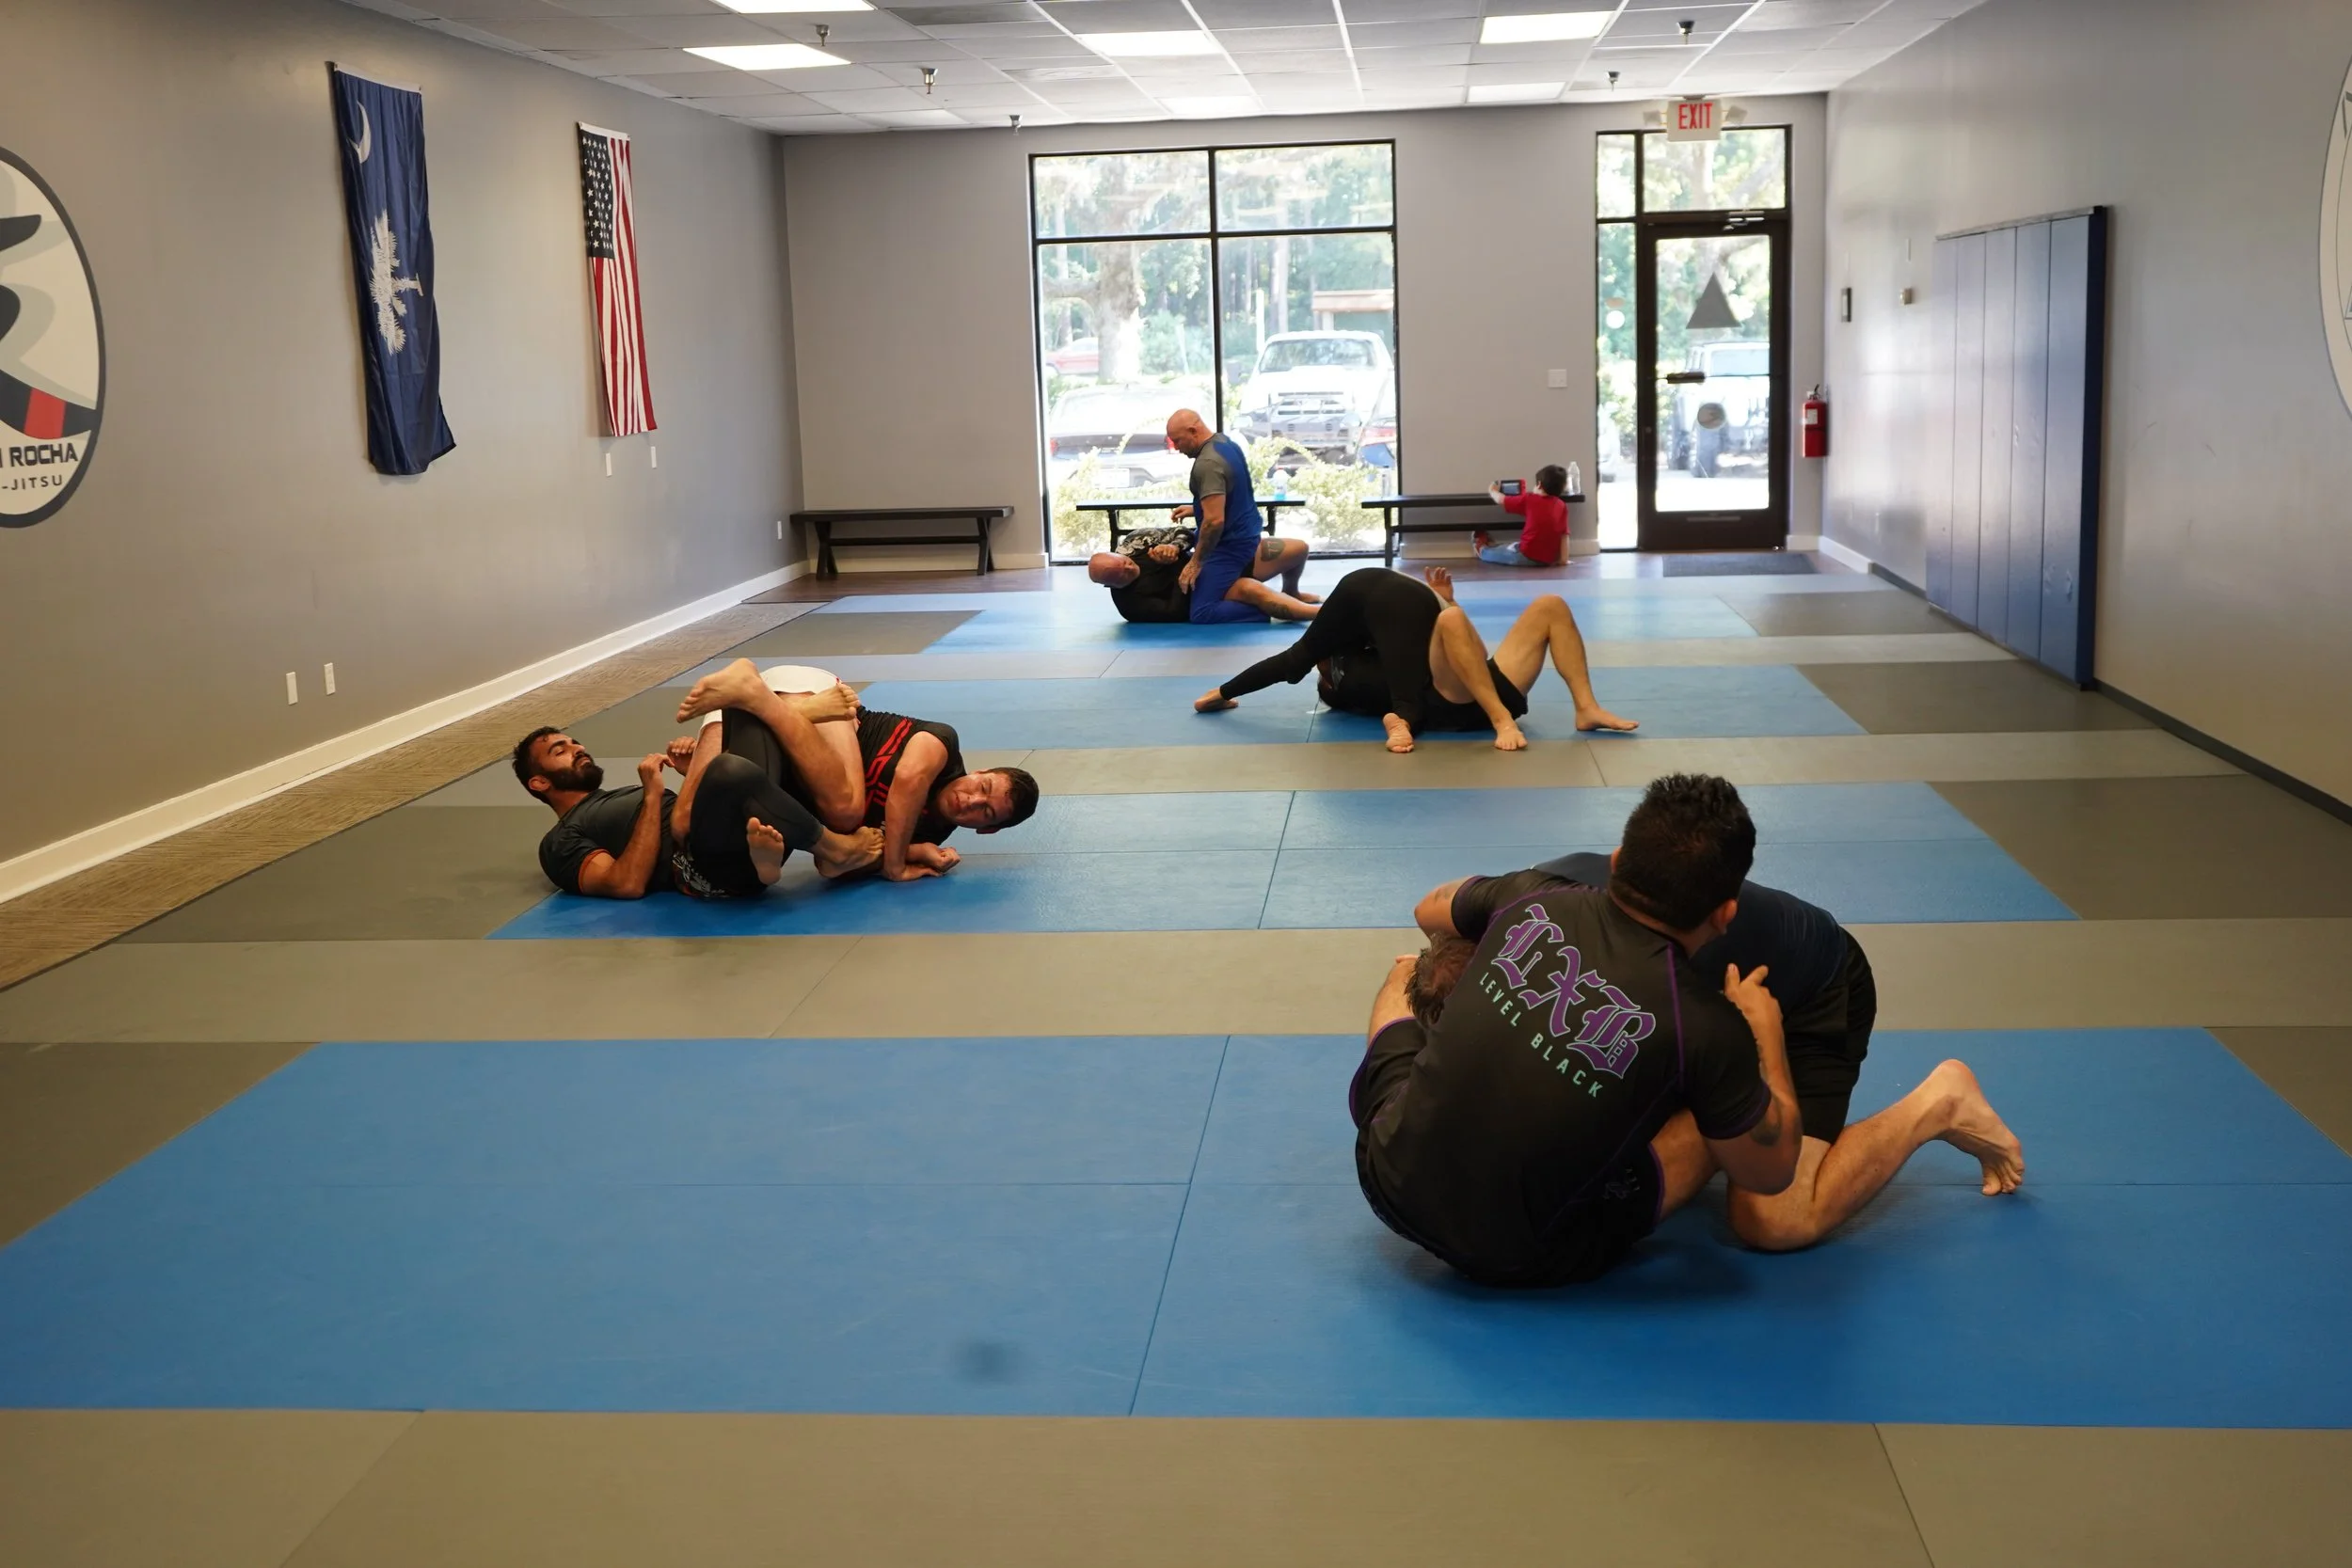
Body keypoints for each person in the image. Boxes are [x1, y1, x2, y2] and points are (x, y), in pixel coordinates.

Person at [1411, 847, 2026, 1254]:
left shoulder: (1654, 992)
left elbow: (1763, 1154)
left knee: (1773, 1219)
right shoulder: (1527, 902)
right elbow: (1430, 907)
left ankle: (1938, 1103)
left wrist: (1760, 1045)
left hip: (1804, 997)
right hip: (1703, 985)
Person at [1349, 773, 1801, 1287]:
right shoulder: (1708, 1026)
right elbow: (1770, 1173)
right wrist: (1766, 1041)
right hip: (1513, 1256)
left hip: (1383, 1177)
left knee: (1410, 969)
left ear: (1615, 863)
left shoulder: (1530, 896)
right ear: (1725, 915)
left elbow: (1429, 909)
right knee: (1718, 1114)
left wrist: (1510, 977)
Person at [512, 673, 881, 901]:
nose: (577, 749)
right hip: (706, 867)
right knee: (729, 765)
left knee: (738, 716)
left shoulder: (611, 800)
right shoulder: (559, 842)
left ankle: (786, 716)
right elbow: (625, 884)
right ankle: (831, 847)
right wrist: (654, 796)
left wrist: (692, 777)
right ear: (539, 782)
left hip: (732, 831)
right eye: (560, 750)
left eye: (575, 742)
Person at [1193, 565, 1637, 753]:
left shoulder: (1353, 652)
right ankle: (1503, 721)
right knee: (1451, 623)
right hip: (1454, 700)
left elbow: (1291, 663)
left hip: (1476, 685)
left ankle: (1585, 707)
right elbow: (1295, 664)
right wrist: (1399, 720)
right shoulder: (1347, 682)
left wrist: (1223, 691)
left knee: (1550, 604)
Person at [672, 658, 1042, 884]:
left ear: (986, 829)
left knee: (685, 824)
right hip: (812, 695)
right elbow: (909, 781)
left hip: (750, 724)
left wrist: (914, 852)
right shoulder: (943, 745)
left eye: (985, 810)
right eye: (983, 785)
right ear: (980, 770)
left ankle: (751, 711)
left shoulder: (927, 833)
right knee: (846, 809)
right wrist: (896, 866)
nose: (971, 799)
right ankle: (764, 701)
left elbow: (830, 864)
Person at [1165, 407, 1289, 626]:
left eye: (1178, 441)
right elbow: (1233, 494)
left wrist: (1196, 562)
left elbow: (1214, 522)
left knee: (1202, 612)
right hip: (1246, 532)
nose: (1176, 447)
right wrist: (1198, 508)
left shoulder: (1207, 464)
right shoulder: (1225, 443)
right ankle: (1281, 595)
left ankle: (1267, 607)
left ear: (1194, 431)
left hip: (1230, 545)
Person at [1087, 525, 1318, 624]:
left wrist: (1175, 547)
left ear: (1120, 553)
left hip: (1214, 560)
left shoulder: (1136, 543)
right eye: (1123, 576)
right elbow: (1177, 612)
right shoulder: (1130, 605)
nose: (1130, 568)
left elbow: (1184, 531)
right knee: (1252, 590)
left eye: (1126, 563)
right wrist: (1177, 568)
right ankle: (1319, 614)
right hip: (1209, 591)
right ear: (1110, 586)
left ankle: (1291, 590)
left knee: (1298, 548)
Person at [1474, 467, 1571, 568]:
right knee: (1511, 547)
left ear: (1539, 485)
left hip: (1526, 556)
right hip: (1548, 560)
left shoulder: (1530, 499)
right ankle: (1497, 546)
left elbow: (1501, 500)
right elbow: (1564, 535)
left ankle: (1481, 550)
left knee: (1497, 554)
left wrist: (1492, 491)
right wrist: (1563, 560)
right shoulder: (1562, 505)